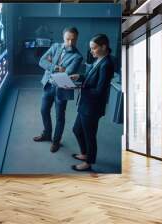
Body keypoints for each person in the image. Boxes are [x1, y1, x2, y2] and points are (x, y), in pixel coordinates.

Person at [33, 27, 83, 153]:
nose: (70, 43)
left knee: (60, 116)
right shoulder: (55, 47)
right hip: (48, 86)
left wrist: (51, 67)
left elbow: (68, 72)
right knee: (44, 110)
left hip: (62, 88)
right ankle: (47, 134)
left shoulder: (77, 57)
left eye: (73, 40)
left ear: (76, 39)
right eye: (67, 39)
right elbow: (41, 61)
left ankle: (56, 141)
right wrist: (55, 67)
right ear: (63, 37)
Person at [69, 34, 114, 171]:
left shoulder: (107, 64)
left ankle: (88, 162)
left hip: (92, 107)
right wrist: (80, 77)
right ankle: (84, 154)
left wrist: (78, 87)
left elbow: (100, 91)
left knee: (89, 135)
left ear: (103, 47)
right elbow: (90, 78)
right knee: (77, 130)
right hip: (85, 104)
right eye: (90, 48)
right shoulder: (99, 60)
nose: (91, 51)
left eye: (93, 48)